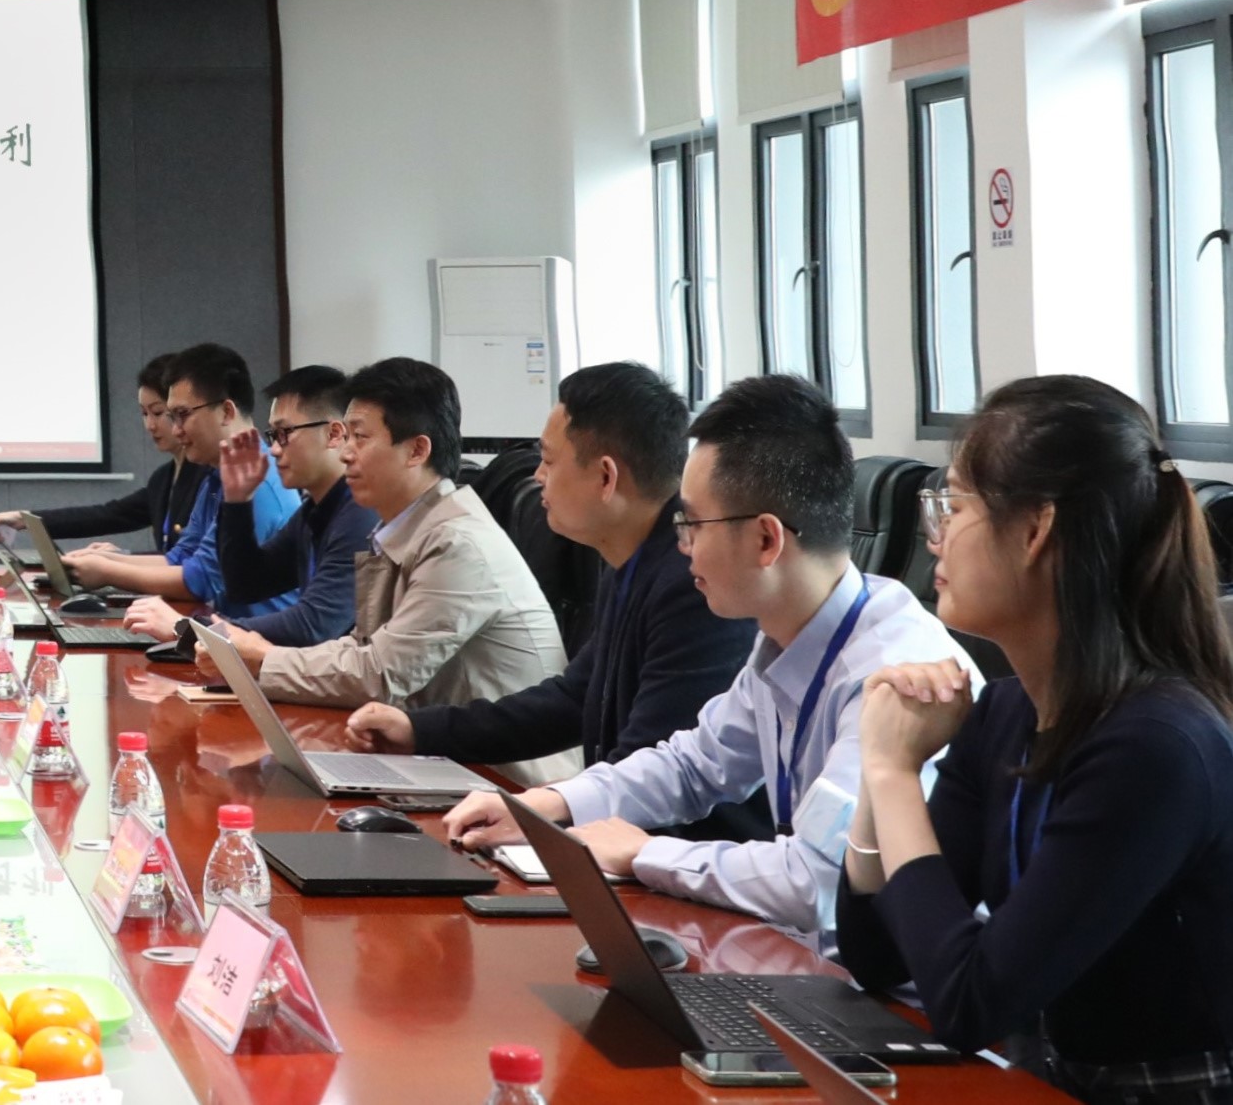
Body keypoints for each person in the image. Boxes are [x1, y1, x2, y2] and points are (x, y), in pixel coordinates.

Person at [446, 374, 969, 939]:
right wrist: (546, 805)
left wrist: (644, 853)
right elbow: (693, 764)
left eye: (692, 523)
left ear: (766, 540)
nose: (682, 545)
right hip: (797, 952)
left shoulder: (889, 669)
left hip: (877, 979)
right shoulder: (785, 637)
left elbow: (816, 881)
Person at [838, 376, 1233, 1100]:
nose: (934, 538)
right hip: (1046, 1083)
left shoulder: (1155, 747)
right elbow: (875, 954)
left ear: (1035, 530)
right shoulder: (1005, 713)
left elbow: (969, 1004)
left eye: (953, 506)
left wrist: (895, 774)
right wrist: (878, 775)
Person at [344, 363, 756, 834]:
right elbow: (572, 700)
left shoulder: (694, 585)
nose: (537, 476)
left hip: (680, 858)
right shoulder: (634, 562)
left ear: (606, 477)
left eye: (548, 460)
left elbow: (650, 775)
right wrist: (419, 731)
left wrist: (544, 817)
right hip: (621, 834)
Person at [199, 358, 568, 780]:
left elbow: (378, 674)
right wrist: (260, 658)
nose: (345, 452)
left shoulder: (457, 543)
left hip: (507, 782)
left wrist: (265, 660)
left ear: (417, 450)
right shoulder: (399, 527)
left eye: (360, 437)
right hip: (442, 761)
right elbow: (362, 649)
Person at [124, 365, 373, 646]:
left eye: (285, 433)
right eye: (273, 435)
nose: (275, 449)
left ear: (334, 434)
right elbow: (244, 586)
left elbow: (313, 625)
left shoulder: (360, 514)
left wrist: (187, 629)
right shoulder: (315, 511)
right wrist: (237, 502)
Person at [62, 344, 297, 611]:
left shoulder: (259, 483)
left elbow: (201, 581)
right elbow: (182, 556)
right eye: (172, 417)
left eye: (183, 415)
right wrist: (106, 561)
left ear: (226, 412)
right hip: (221, 628)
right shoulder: (216, 477)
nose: (176, 430)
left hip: (252, 635)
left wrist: (107, 572)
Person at [0, 354, 224, 555]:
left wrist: (121, 560)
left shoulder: (210, 475)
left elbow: (194, 561)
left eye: (158, 413)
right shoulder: (163, 478)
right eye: (144, 414)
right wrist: (23, 519)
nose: (150, 425)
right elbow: (108, 515)